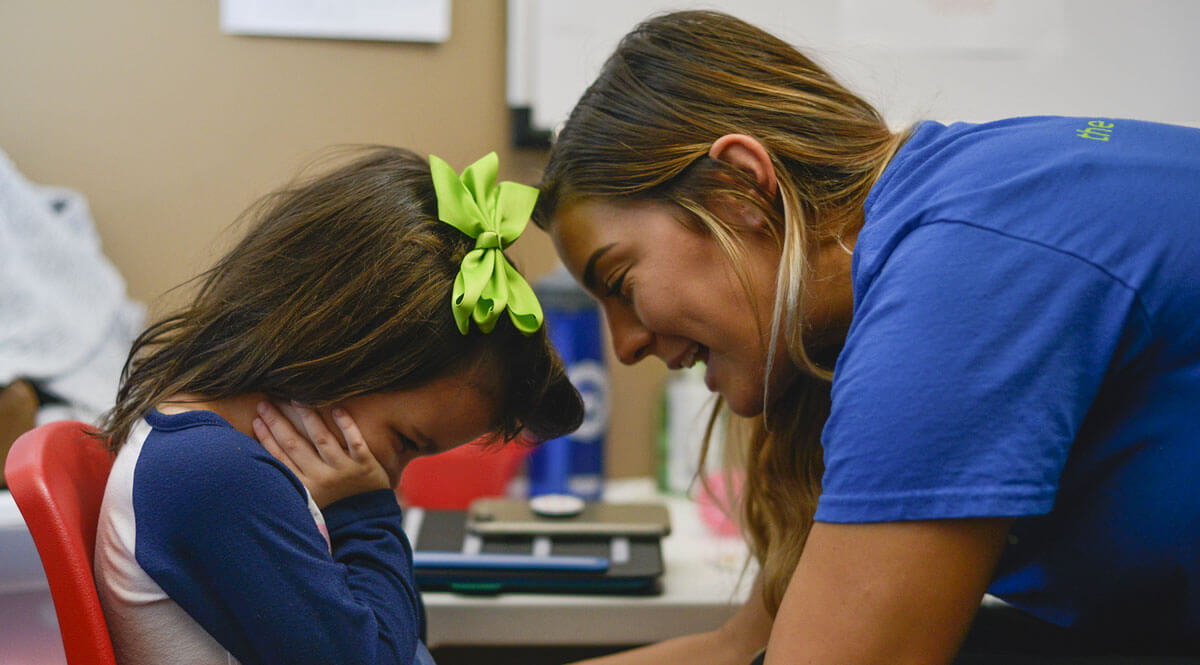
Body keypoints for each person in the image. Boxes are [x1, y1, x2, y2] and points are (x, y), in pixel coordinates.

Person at [533, 10, 1200, 664]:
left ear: (739, 187)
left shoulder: (959, 278)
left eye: (620, 282)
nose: (623, 346)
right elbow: (739, 650)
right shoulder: (927, 230)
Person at [93, 147, 584, 665]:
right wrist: (367, 516)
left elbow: (400, 632)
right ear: (334, 349)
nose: (392, 479)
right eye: (405, 442)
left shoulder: (223, 463)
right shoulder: (210, 473)